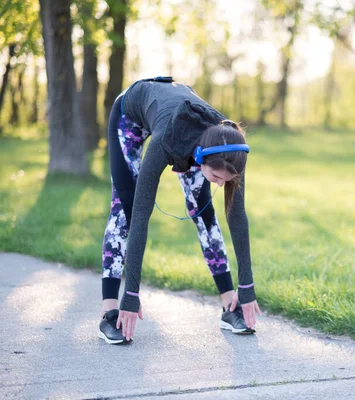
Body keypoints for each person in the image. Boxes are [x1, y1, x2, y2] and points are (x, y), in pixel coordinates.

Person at [98, 76, 260, 345]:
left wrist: (247, 287)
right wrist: (131, 294)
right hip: (132, 113)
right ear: (200, 159)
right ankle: (109, 311)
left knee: (203, 212)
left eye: (225, 180)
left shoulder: (229, 146)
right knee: (125, 210)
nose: (221, 184)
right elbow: (141, 217)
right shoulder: (164, 142)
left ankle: (229, 304)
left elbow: (237, 216)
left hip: (183, 125)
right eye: (217, 177)